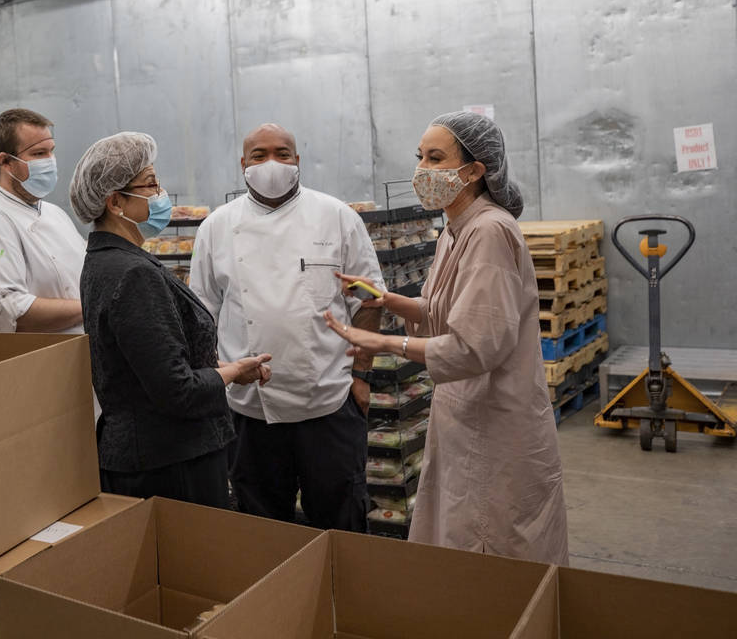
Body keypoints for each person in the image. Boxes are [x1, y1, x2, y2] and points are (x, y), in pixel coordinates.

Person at [326, 112, 569, 565]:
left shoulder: (489, 231)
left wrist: (384, 344)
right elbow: (440, 312)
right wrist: (383, 299)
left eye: (436, 158)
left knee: (492, 542)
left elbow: (475, 345)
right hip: (463, 412)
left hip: (496, 419)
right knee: (461, 531)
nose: (422, 170)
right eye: (420, 157)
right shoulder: (453, 232)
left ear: (476, 170)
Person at [190, 124, 386, 531]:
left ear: (298, 161)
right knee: (262, 526)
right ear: (243, 165)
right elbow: (202, 313)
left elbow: (369, 300)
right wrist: (217, 380)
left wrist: (362, 376)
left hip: (329, 400)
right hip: (249, 408)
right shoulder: (216, 226)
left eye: (282, 153)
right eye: (259, 156)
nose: (271, 163)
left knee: (341, 520)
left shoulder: (337, 217)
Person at [69, 132, 272, 507]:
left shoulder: (103, 260)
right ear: (115, 201)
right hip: (170, 462)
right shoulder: (132, 274)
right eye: (150, 184)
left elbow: (148, 366)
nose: (161, 193)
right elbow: (178, 391)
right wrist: (230, 373)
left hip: (148, 456)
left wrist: (226, 368)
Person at [0, 108, 86, 337]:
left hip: (76, 359)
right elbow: (6, 312)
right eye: (39, 153)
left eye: (51, 152)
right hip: (26, 366)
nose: (50, 162)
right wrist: (92, 307)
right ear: (6, 161)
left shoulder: (55, 214)